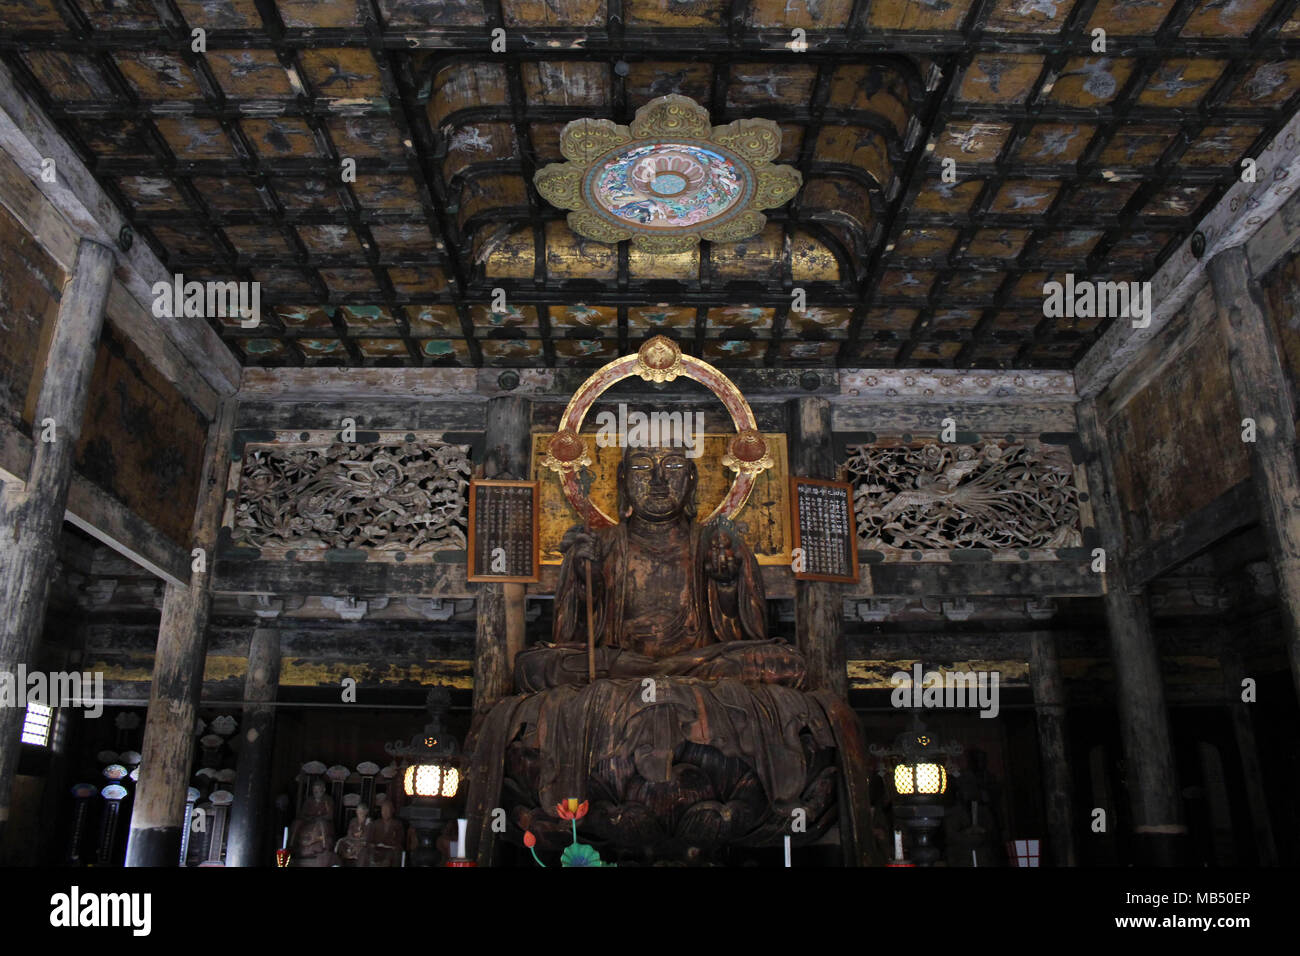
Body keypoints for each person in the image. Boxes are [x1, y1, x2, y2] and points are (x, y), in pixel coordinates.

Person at [515, 443, 806, 692]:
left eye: (674, 466)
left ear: (692, 479)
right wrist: (586, 582)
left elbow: (747, 636)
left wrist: (727, 585)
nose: (658, 480)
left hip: (697, 662)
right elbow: (570, 639)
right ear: (622, 479)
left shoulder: (718, 542)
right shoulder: (595, 545)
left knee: (786, 662)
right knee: (535, 666)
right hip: (622, 663)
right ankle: (664, 674)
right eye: (642, 467)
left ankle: (661, 671)